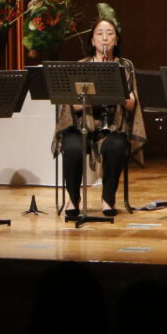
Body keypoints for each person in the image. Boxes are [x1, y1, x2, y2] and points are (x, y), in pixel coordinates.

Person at [51, 16, 146, 219]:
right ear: (92, 40)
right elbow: (74, 104)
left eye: (110, 33)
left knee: (116, 147)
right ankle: (73, 199)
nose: (105, 38)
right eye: (100, 34)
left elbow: (131, 103)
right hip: (81, 126)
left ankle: (108, 199)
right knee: (72, 148)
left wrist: (115, 90)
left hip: (113, 127)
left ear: (116, 40)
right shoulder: (81, 65)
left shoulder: (125, 66)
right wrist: (98, 97)